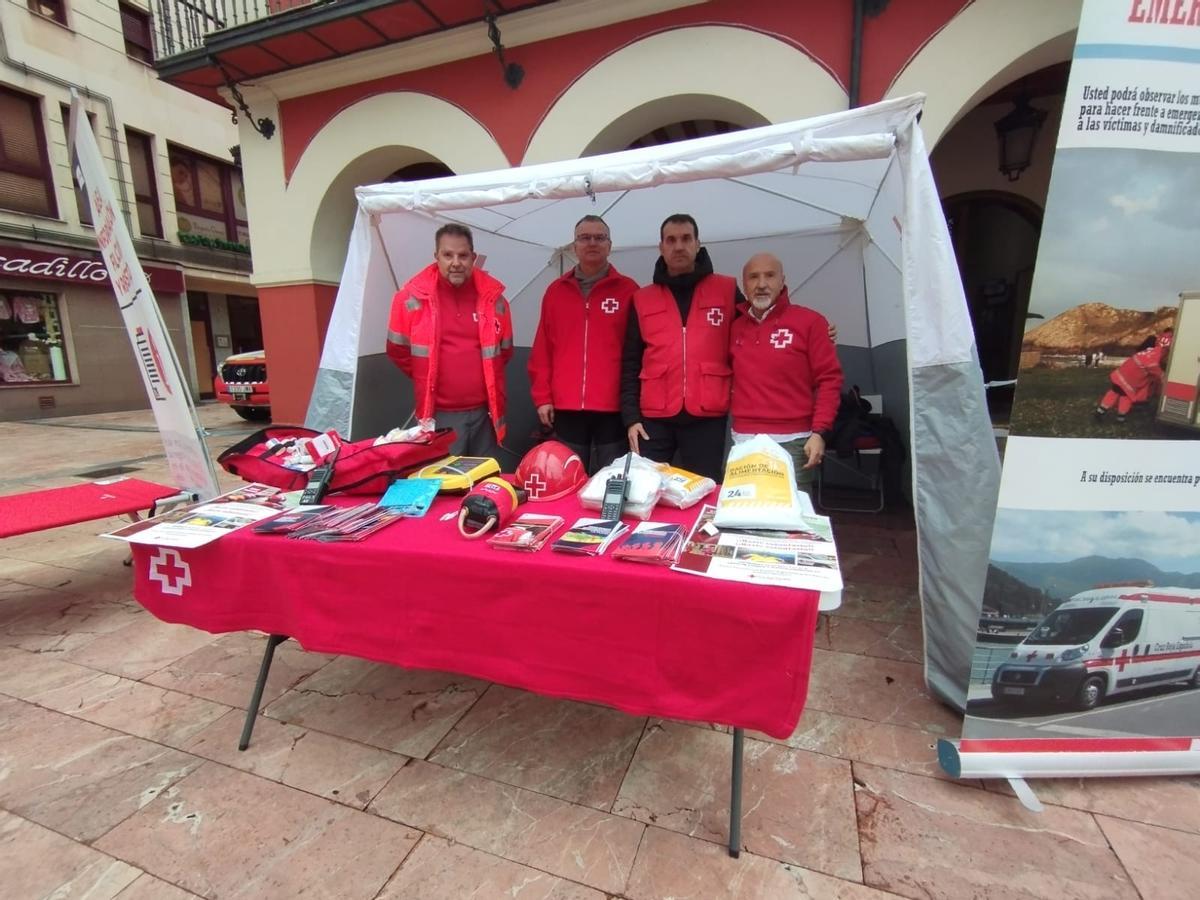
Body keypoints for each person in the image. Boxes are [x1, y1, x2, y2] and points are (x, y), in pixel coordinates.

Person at [620, 213, 737, 481]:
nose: (679, 246)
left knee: (703, 490)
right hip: (652, 420)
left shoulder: (727, 290)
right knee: (647, 491)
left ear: (698, 244)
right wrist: (631, 418)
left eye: (686, 239)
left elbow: (756, 332)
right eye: (671, 240)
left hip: (707, 417)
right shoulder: (642, 298)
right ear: (661, 247)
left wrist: (807, 331)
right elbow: (630, 361)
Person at [386, 223, 513, 457]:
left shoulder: (496, 301)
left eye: (463, 255)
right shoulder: (410, 298)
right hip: (439, 415)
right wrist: (429, 375)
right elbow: (397, 350)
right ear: (436, 257)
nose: (456, 262)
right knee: (446, 485)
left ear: (473, 257)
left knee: (484, 484)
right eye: (448, 255)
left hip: (486, 414)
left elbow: (504, 353)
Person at [528, 215, 638, 473]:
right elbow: (543, 349)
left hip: (613, 407)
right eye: (584, 238)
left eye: (599, 238)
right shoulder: (555, 291)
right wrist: (542, 397)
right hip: (566, 407)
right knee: (568, 478)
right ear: (574, 246)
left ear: (610, 245)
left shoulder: (629, 290)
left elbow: (637, 354)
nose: (592, 243)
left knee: (611, 481)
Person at [730, 252, 842, 494]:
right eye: (753, 277)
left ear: (782, 281)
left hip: (795, 442)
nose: (761, 284)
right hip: (744, 441)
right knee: (745, 511)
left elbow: (829, 380)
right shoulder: (735, 327)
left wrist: (819, 432)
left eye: (769, 276)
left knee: (794, 516)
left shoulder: (811, 322)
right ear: (744, 285)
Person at [1094, 329, 1172, 423]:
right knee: (1126, 396)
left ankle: (1100, 412)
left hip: (1121, 374)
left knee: (1114, 392)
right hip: (1129, 379)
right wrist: (1162, 375)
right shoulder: (1156, 354)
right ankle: (1120, 418)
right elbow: (1152, 366)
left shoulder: (1150, 350)